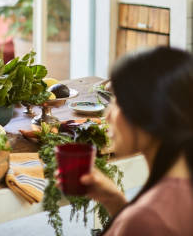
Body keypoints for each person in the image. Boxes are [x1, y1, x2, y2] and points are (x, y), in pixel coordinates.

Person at [77, 46, 193, 235]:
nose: (108, 116)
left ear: (148, 114)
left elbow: (147, 224)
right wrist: (116, 202)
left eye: (118, 102)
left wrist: (131, 218)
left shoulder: (146, 219)